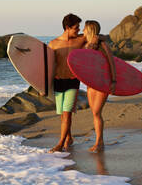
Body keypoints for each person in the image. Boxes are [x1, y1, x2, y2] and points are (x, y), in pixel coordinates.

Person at [48, 13, 86, 152]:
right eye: (76, 27)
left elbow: (98, 35)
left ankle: (60, 143)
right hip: (58, 82)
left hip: (72, 82)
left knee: (67, 113)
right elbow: (47, 67)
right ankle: (69, 137)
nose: (79, 30)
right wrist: (42, 86)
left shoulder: (80, 40)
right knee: (63, 115)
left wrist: (95, 40)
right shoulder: (54, 44)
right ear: (68, 27)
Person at [82, 20, 116, 153]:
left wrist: (113, 81)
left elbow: (112, 62)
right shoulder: (85, 45)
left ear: (90, 30)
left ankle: (99, 142)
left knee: (96, 112)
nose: (83, 31)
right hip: (91, 83)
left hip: (103, 81)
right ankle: (99, 140)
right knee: (95, 113)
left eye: (85, 28)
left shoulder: (103, 44)